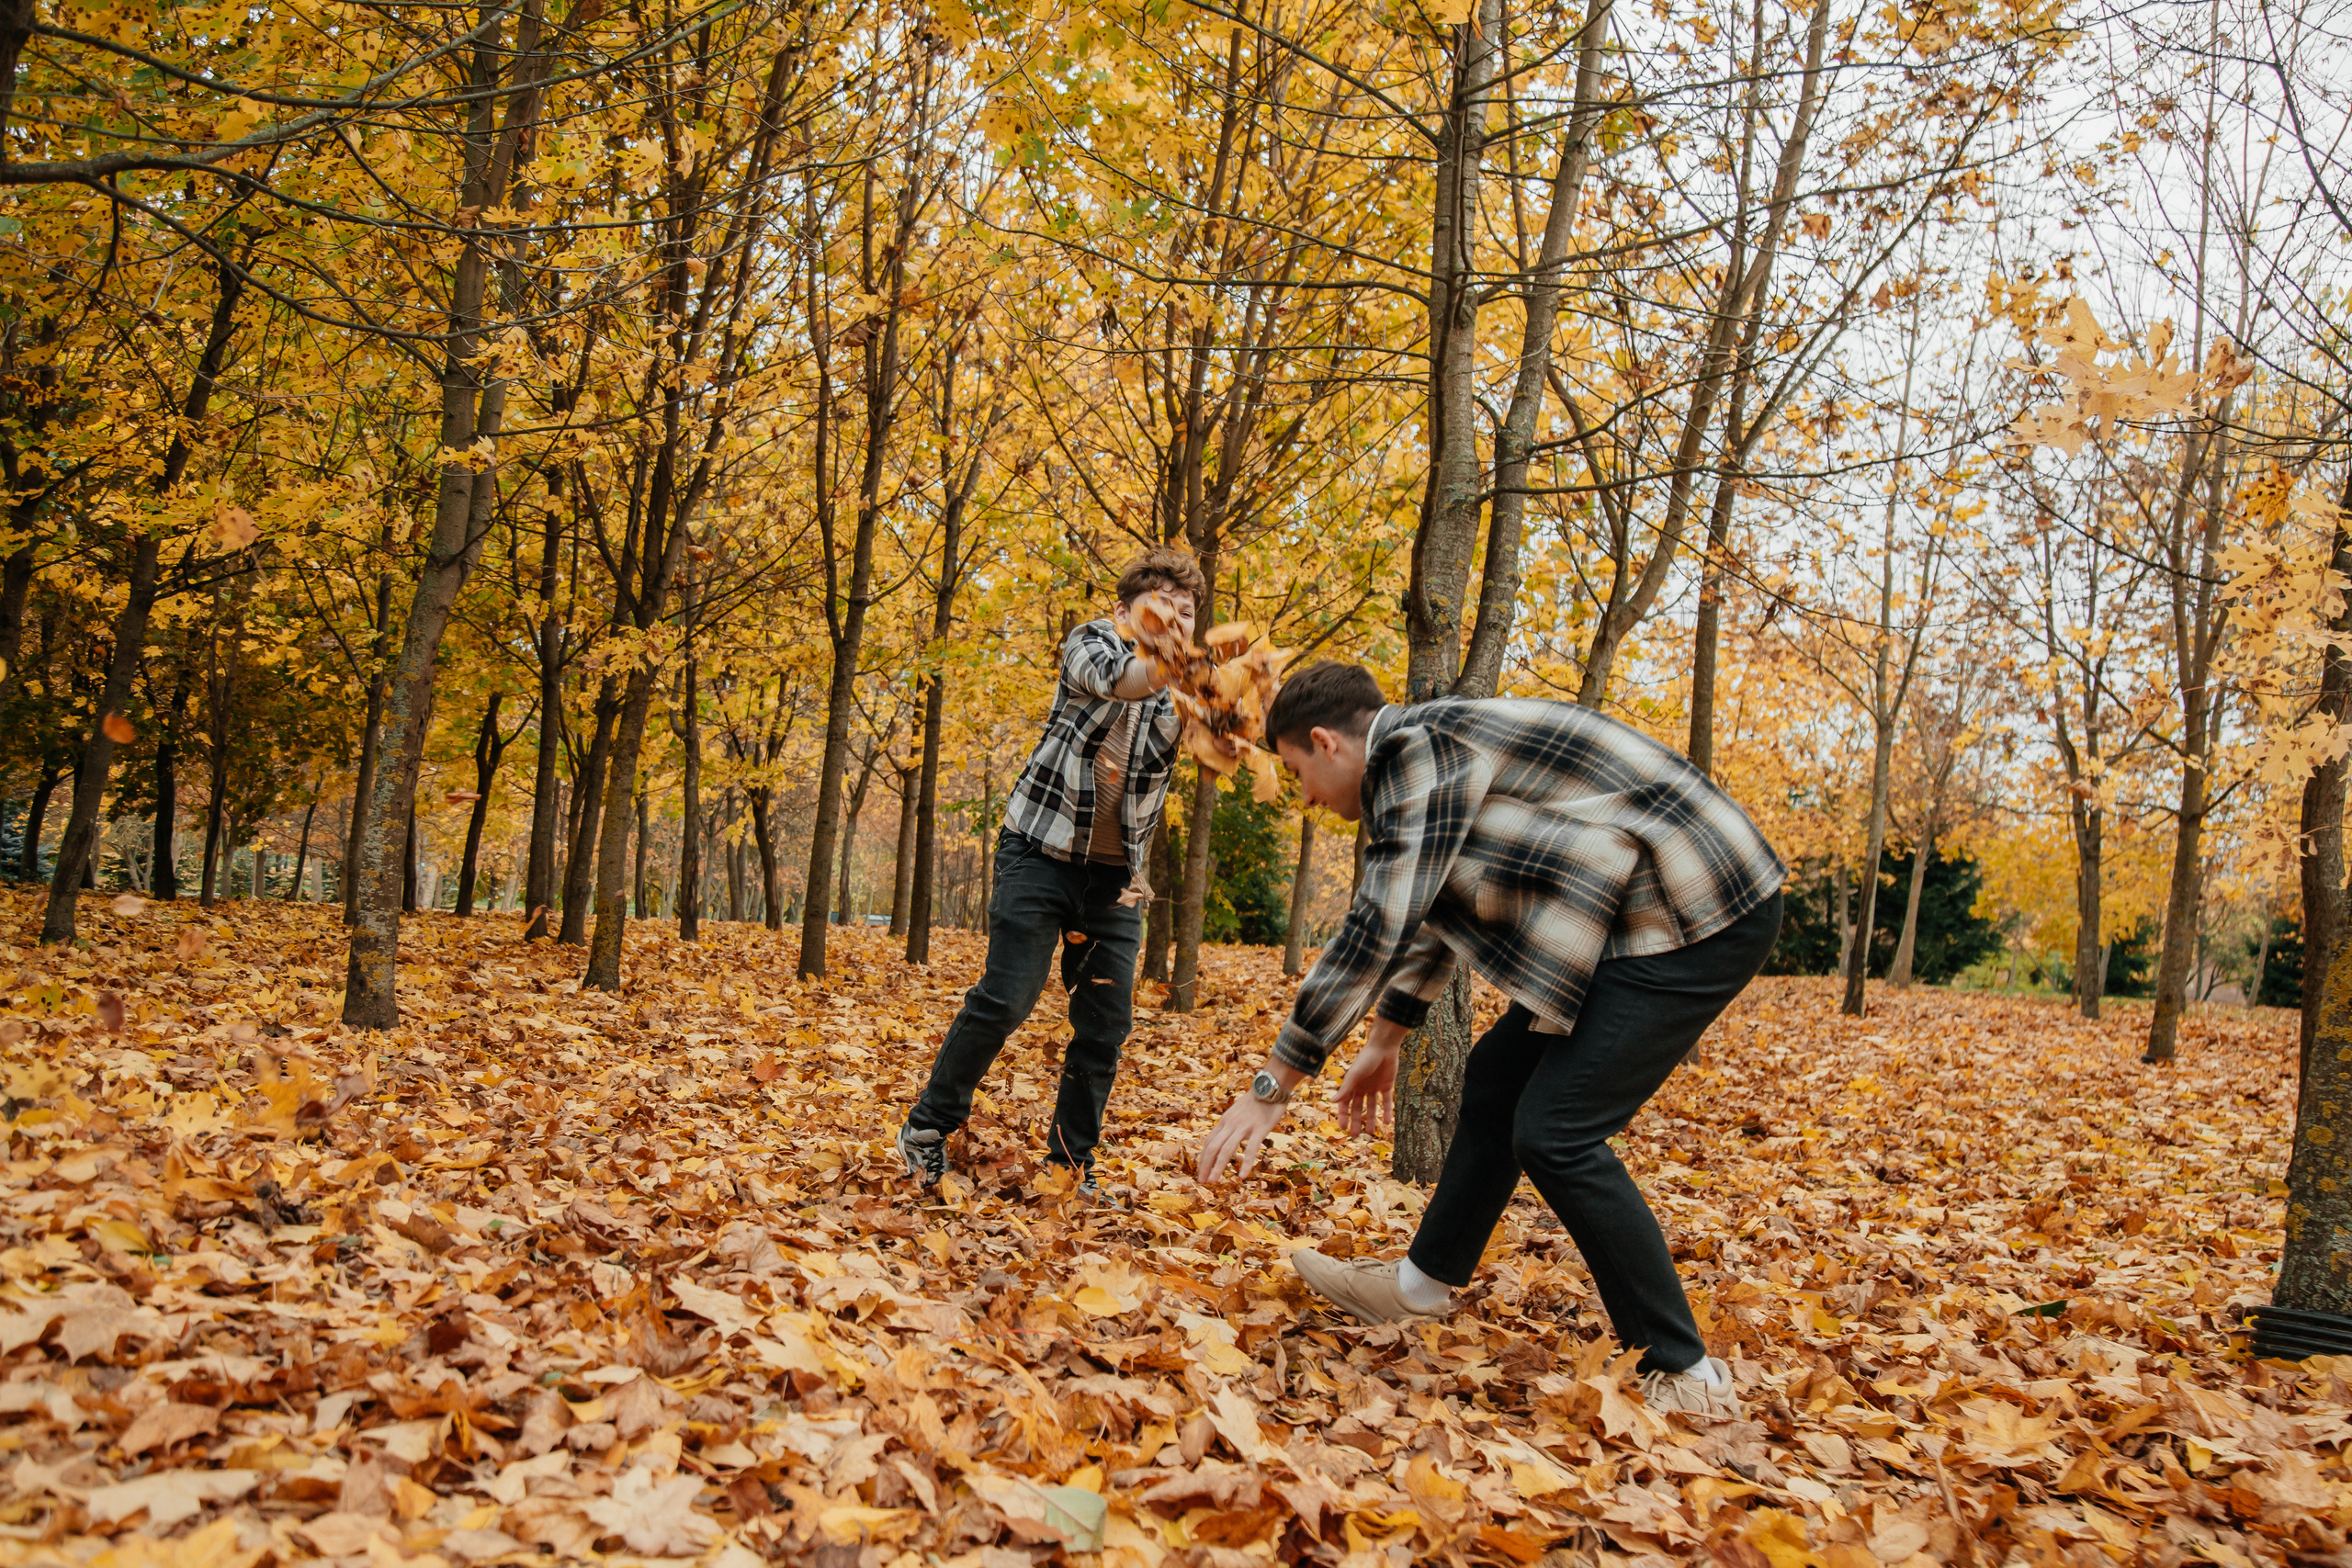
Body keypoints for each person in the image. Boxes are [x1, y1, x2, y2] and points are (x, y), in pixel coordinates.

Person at [1196, 662, 1785, 1417]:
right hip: (1642, 911)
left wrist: (1275, 1080)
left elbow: (1381, 919)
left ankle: (1689, 1374)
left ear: (1326, 742)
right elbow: (1442, 906)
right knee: (1496, 1077)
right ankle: (1418, 1287)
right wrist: (1384, 1040)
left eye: (1297, 771)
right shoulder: (1429, 756)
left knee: (1556, 1131)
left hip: (1695, 907)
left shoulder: (1415, 753)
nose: (1305, 796)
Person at [897, 546, 1206, 1200]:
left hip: (1116, 880)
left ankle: (1071, 1161)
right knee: (1007, 996)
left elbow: (1211, 738)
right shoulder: (1090, 643)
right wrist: (1171, 666)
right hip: (1038, 852)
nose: (1178, 625)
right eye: (1163, 611)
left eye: (1188, 615)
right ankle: (928, 1126)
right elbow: (1121, 678)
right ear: (1124, 611)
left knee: (1105, 1024)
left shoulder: (1182, 687)